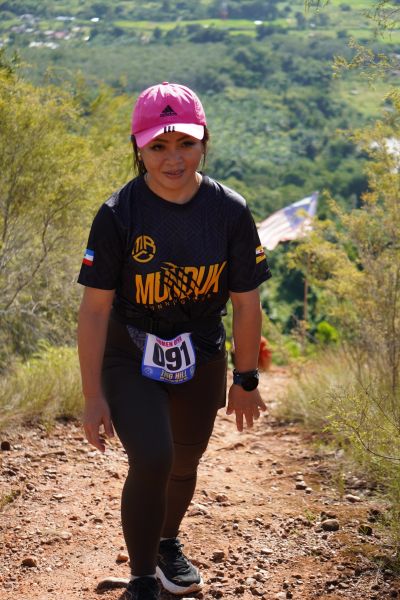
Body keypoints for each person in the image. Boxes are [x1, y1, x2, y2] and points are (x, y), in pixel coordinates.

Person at [77, 81, 271, 600]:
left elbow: (246, 302)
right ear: (138, 147)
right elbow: (94, 311)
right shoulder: (118, 215)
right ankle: (142, 581)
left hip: (201, 352)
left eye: (186, 143)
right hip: (129, 351)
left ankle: (165, 544)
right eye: (158, 145)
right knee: (154, 457)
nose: (173, 158)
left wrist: (245, 379)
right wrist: (93, 396)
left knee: (185, 462)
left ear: (204, 142)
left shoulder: (229, 211)